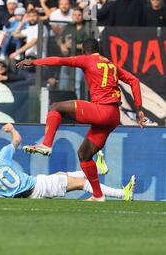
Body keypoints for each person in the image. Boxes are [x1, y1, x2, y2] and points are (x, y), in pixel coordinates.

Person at [15, 38, 146, 202]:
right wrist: (139, 109)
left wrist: (34, 62)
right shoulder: (111, 65)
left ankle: (46, 144)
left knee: (55, 107)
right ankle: (98, 195)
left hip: (101, 110)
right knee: (84, 155)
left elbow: (58, 60)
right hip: (113, 116)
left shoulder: (87, 59)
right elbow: (134, 80)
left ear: (84, 50)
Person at [0, 123, 136, 201]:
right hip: (36, 187)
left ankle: (97, 168)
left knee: (59, 175)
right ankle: (122, 194)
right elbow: (18, 140)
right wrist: (11, 129)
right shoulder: (3, 154)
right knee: (83, 185)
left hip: (29, 191)